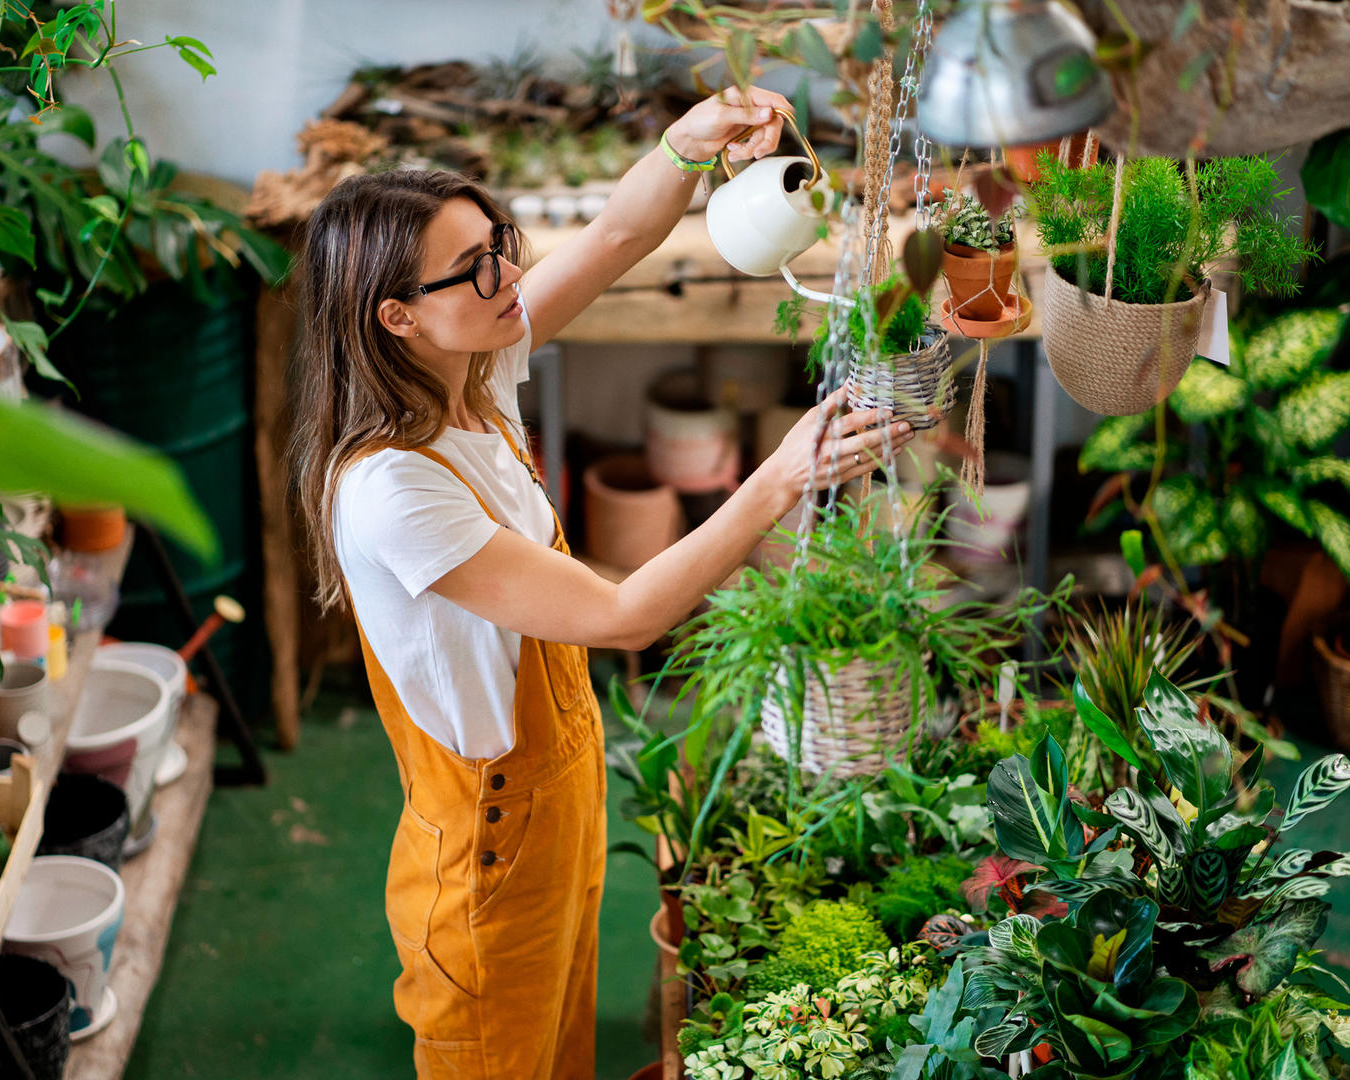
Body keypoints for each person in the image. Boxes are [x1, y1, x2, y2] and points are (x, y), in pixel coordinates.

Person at [289, 86, 914, 1079]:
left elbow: (620, 234)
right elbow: (624, 617)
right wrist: (779, 481)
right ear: (398, 316)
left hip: (562, 786)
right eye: (476, 267)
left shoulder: (472, 376)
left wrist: (690, 141)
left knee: (561, 1049)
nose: (509, 273)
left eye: (501, 241)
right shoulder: (391, 489)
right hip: (491, 842)